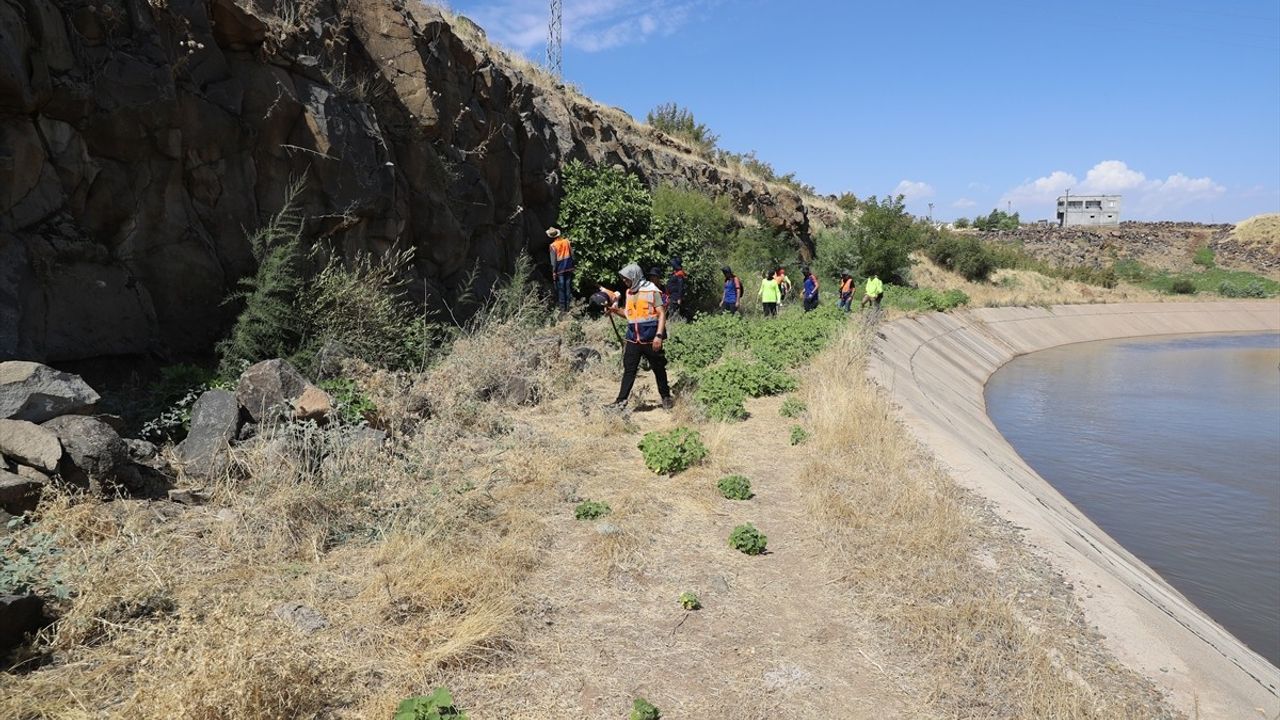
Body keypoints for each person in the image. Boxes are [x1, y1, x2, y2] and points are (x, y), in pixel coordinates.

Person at [602, 263, 672, 411]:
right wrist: (614, 310)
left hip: (651, 339)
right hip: (633, 338)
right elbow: (629, 315)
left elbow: (661, 313)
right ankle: (620, 402)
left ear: (635, 276)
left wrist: (658, 336)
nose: (625, 282)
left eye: (626, 279)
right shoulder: (629, 293)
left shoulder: (653, 291)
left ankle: (666, 397)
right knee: (629, 369)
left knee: (658, 368)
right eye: (623, 279)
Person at [547, 227, 573, 312]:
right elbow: (572, 254)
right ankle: (568, 307)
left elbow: (553, 262)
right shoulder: (566, 241)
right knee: (568, 287)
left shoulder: (553, 246)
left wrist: (553, 272)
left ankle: (563, 309)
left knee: (561, 289)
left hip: (560, 269)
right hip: (569, 267)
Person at [667, 257, 688, 321]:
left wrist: (679, 298)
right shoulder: (676, 273)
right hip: (673, 295)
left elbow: (680, 287)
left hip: (675, 297)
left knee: (674, 311)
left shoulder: (680, 275)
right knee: (672, 310)